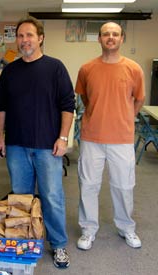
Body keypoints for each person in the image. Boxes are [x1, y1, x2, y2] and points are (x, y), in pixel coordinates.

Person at [0, 17, 75, 269]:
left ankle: (58, 244)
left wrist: (63, 138)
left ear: (40, 38)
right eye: (20, 36)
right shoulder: (10, 71)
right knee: (21, 197)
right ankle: (24, 239)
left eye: (29, 35)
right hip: (17, 145)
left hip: (48, 146)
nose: (24, 40)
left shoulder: (55, 68)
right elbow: (1, 107)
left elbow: (67, 106)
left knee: (52, 196)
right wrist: (0, 137)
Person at [75, 22, 145, 251]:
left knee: (124, 186)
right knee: (88, 186)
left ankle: (127, 228)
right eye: (106, 34)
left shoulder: (134, 68)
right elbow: (85, 98)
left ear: (122, 38)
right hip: (91, 137)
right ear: (100, 39)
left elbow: (139, 99)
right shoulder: (86, 69)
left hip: (122, 139)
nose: (111, 37)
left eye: (115, 34)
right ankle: (88, 229)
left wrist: (124, 118)